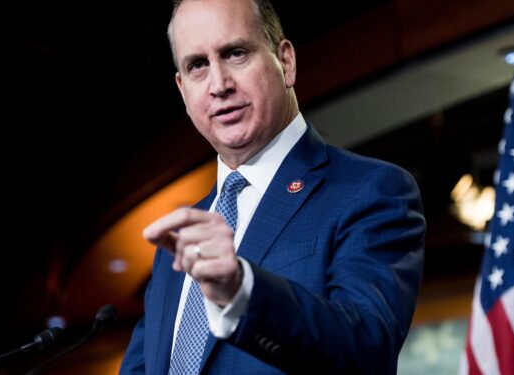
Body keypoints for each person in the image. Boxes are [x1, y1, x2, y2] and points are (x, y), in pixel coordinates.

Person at [120, 0, 425, 373]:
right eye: (197, 65)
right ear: (183, 90)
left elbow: (366, 350)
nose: (219, 85)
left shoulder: (371, 190)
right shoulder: (178, 244)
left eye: (235, 53)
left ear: (286, 61)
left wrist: (240, 290)